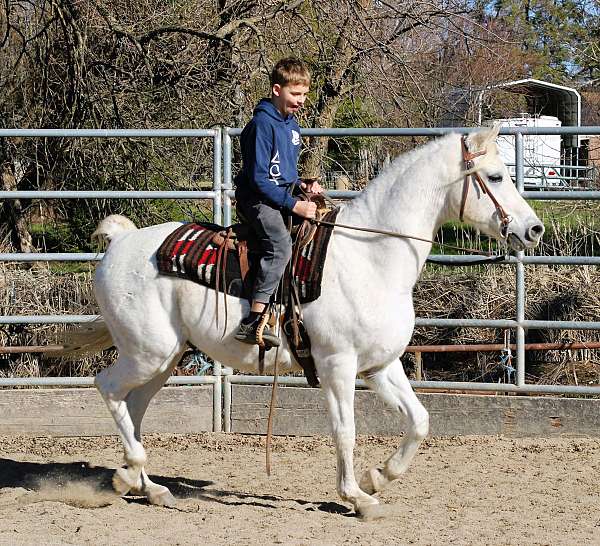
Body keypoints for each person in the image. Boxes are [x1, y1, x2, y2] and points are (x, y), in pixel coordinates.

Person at [234, 57, 323, 347]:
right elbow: (260, 179)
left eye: (304, 95)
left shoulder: (292, 127)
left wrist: (301, 185)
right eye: (295, 94)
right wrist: (294, 204)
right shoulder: (261, 124)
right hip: (258, 200)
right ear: (276, 89)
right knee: (280, 244)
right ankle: (253, 319)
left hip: (279, 194)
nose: (300, 101)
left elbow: (284, 173)